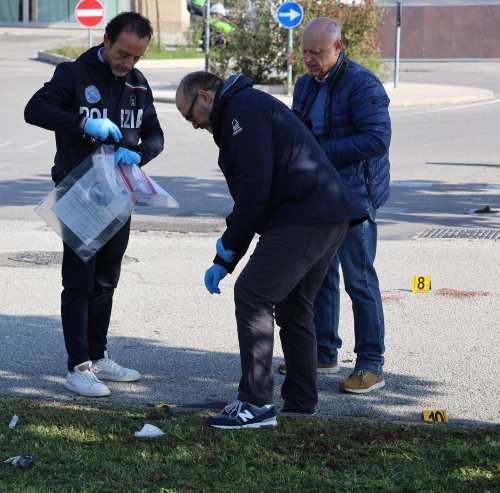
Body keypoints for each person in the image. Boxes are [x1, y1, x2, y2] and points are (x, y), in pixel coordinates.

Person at [175, 71, 367, 429]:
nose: (193, 124)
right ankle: (300, 400)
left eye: (190, 115)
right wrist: (229, 251)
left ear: (204, 95)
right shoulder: (246, 106)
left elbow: (254, 191)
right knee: (294, 305)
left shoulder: (240, 110)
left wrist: (227, 254)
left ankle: (255, 403)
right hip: (326, 213)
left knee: (252, 294)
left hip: (305, 215)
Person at [24, 12, 164, 397]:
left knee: (106, 280)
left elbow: (154, 136)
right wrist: (84, 124)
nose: (127, 63)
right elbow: (34, 110)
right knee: (80, 281)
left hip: (118, 194)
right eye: (122, 54)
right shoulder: (73, 74)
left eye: (136, 57)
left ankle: (100, 355)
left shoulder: (137, 83)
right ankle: (78, 366)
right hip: (80, 193)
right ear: (106, 40)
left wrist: (139, 155)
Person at [287, 17, 391, 394]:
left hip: (355, 199)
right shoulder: (303, 85)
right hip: (319, 198)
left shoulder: (363, 85)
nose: (310, 60)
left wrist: (319, 154)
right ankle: (323, 352)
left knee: (359, 281)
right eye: (305, 52)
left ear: (339, 48)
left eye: (317, 52)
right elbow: (298, 130)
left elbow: (377, 139)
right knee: (321, 276)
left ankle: (370, 365)